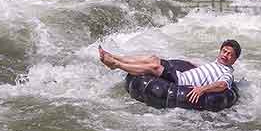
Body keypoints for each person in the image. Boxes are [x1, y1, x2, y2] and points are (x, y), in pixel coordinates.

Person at [99, 39, 241, 104]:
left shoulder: (227, 72)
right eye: (224, 51)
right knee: (153, 58)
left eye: (230, 54)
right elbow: (200, 69)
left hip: (181, 81)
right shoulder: (215, 63)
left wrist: (202, 89)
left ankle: (116, 64)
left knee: (153, 67)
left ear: (234, 60)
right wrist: (189, 63)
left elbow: (222, 85)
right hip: (180, 73)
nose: (225, 55)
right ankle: (116, 57)